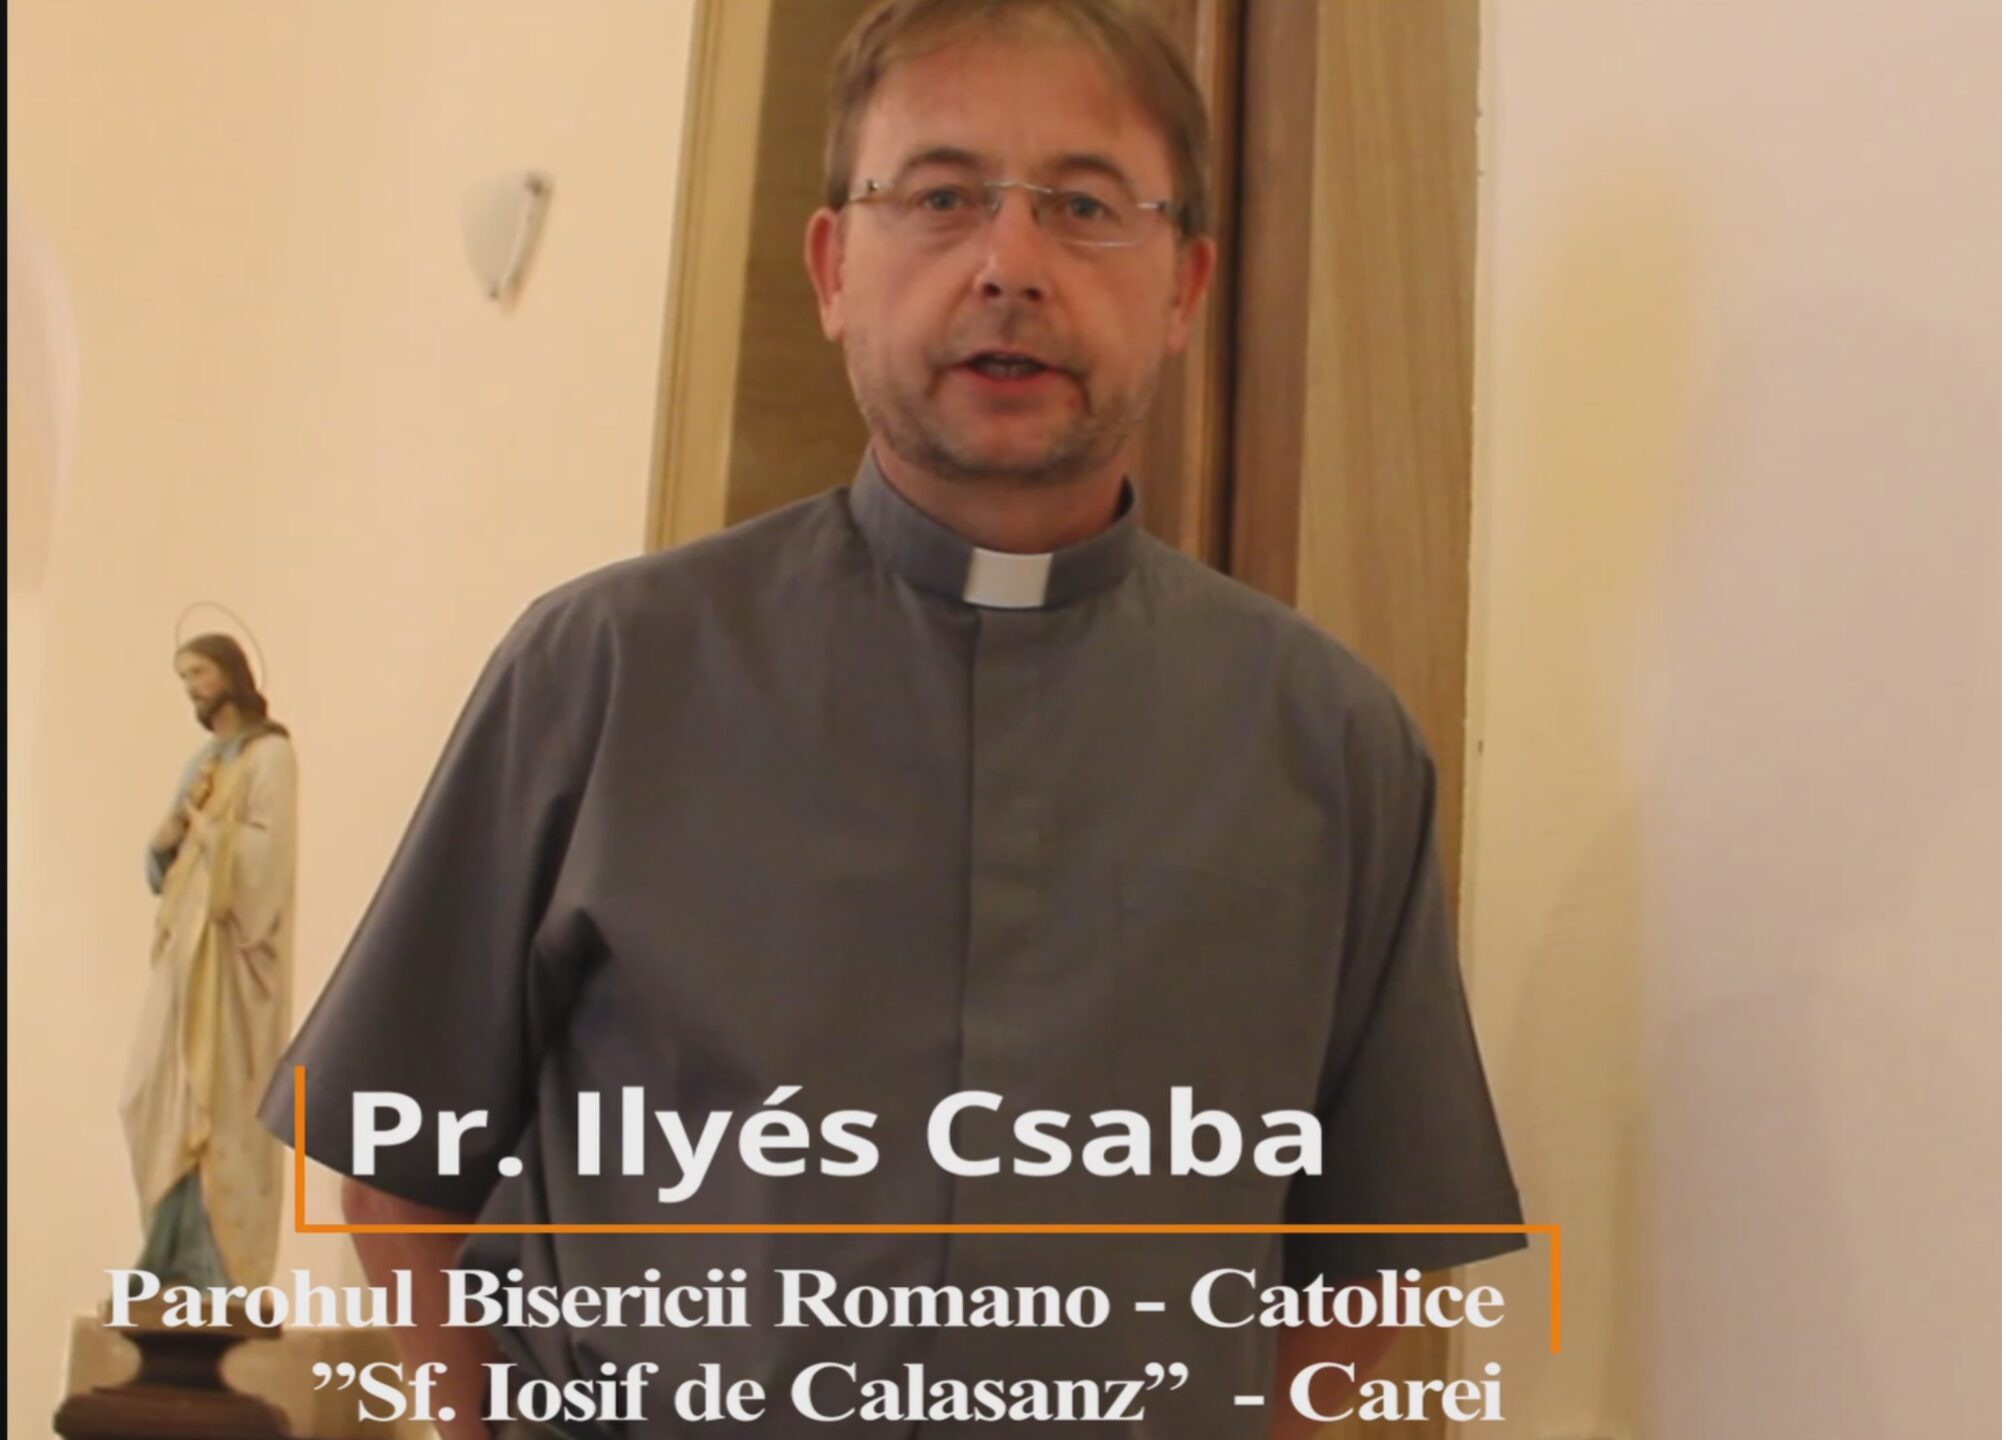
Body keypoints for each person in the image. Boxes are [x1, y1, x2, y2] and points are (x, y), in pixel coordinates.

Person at [261, 1, 1520, 1435]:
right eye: (938, 197)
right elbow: (397, 1158)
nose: (1010, 264)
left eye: (1085, 206)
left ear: (1184, 287)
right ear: (831, 270)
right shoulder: (604, 672)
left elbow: (1373, 1250)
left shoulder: (1330, 740)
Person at [127, 631, 297, 1290]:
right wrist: (165, 840)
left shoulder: (271, 755)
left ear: (230, 673)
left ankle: (217, 1267)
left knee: (217, 1102)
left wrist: (209, 834)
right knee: (150, 1094)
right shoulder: (203, 760)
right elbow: (165, 865)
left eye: (199, 673)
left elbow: (266, 860)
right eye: (185, 678)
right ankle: (165, 1252)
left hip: (230, 960)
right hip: (184, 950)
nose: (192, 689)